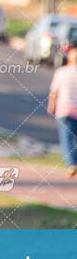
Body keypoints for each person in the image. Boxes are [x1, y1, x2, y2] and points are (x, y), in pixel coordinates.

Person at [48, 47, 77, 177]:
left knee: (67, 139)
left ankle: (71, 164)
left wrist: (51, 106)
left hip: (64, 110)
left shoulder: (61, 72)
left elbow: (54, 92)